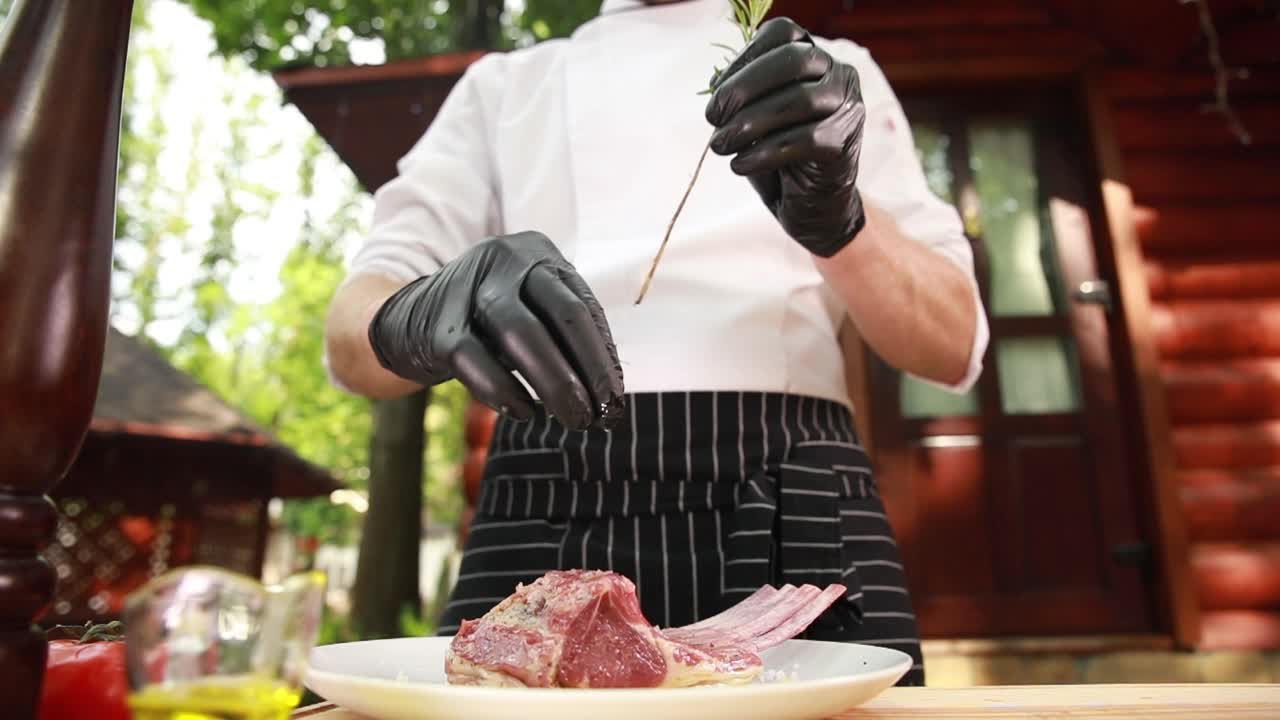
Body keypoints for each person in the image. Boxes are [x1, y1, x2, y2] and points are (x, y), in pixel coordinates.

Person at [324, 0, 988, 687]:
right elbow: (351, 339)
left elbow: (952, 342)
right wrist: (411, 315)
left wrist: (842, 220)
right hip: (546, 503)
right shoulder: (505, 88)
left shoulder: (832, 80)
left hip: (799, 500)